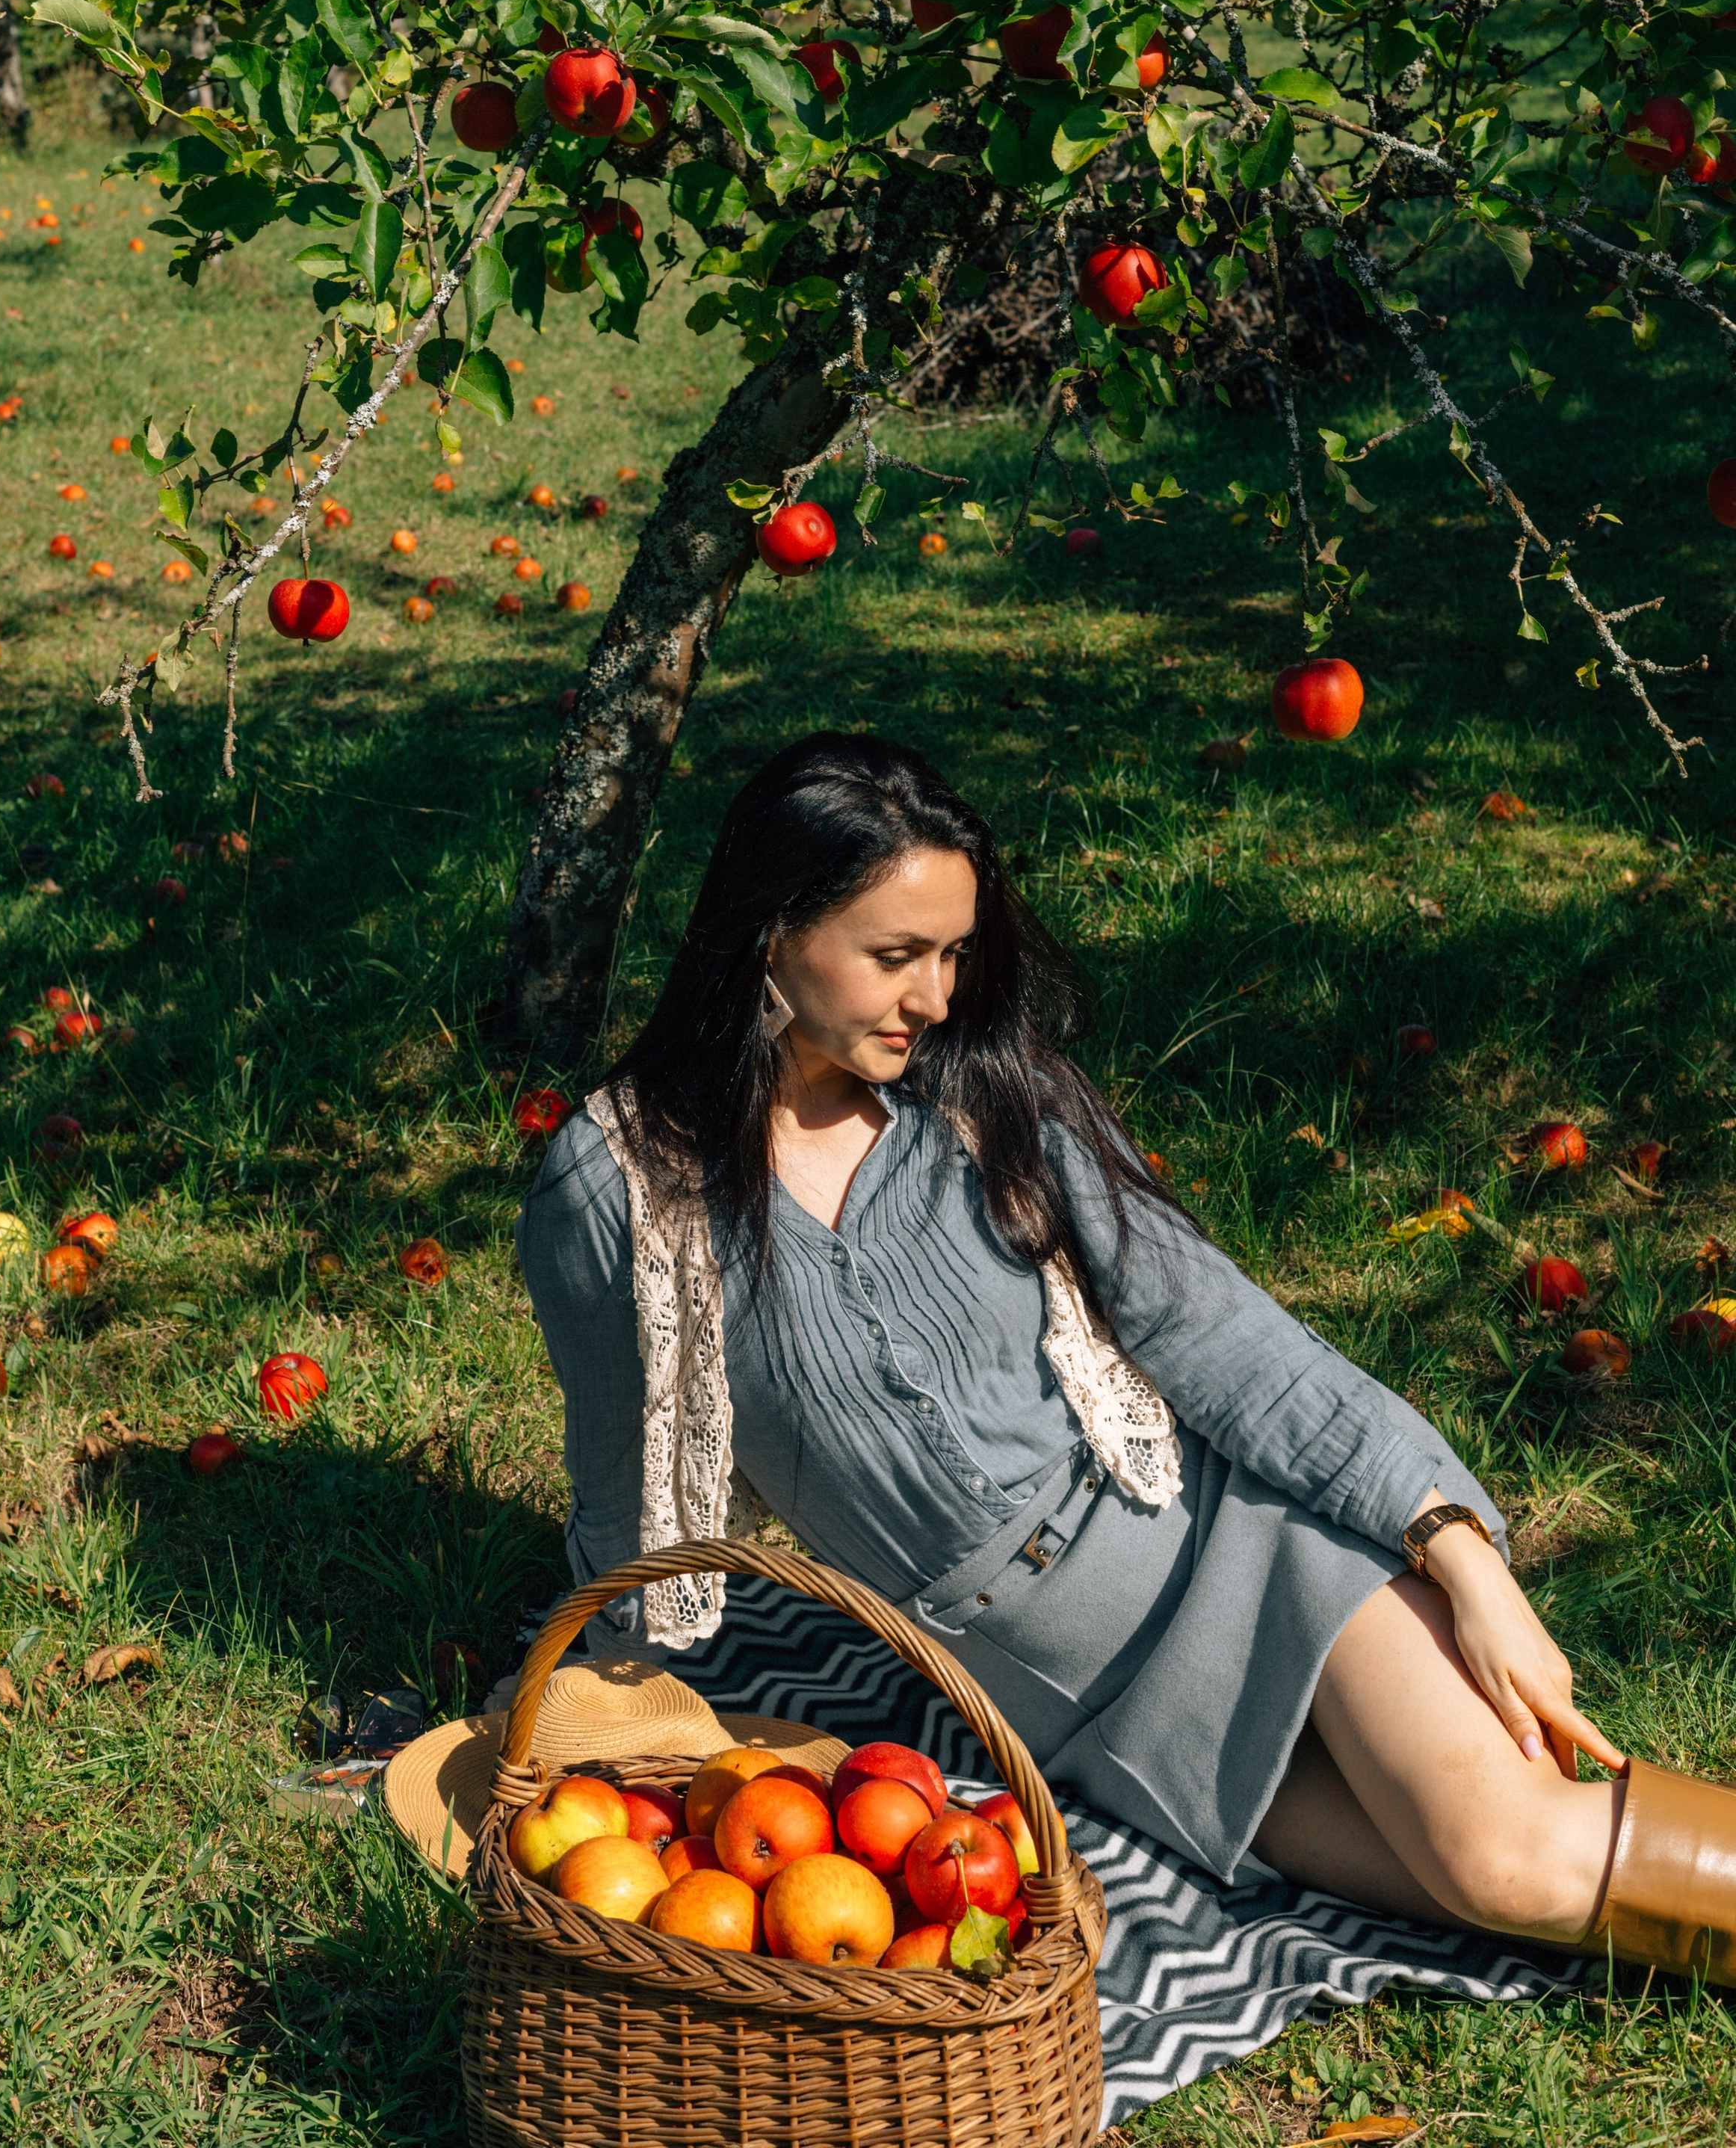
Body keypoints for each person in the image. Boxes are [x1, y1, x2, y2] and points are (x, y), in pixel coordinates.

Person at [516, 731, 1736, 1979]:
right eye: (896, 958)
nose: (936, 998)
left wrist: (1463, 1560)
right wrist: (605, 1756)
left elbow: (1222, 1339)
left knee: (1507, 1861)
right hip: (1086, 1718)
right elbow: (631, 1508)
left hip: (1245, 1550)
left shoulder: (985, 1094)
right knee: (1483, 1890)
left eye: (953, 955)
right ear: (772, 935)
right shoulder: (618, 1193)